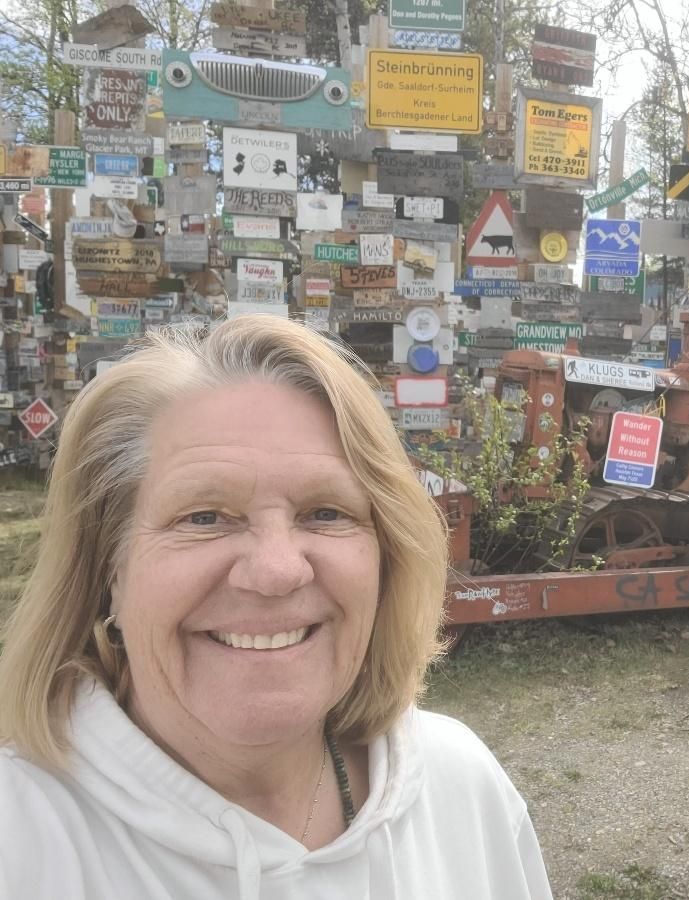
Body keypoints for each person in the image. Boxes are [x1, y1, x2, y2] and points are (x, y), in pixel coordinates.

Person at [0, 316, 553, 899]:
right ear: (110, 569)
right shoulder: (20, 840)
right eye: (204, 517)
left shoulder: (461, 788)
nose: (277, 570)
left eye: (325, 513)